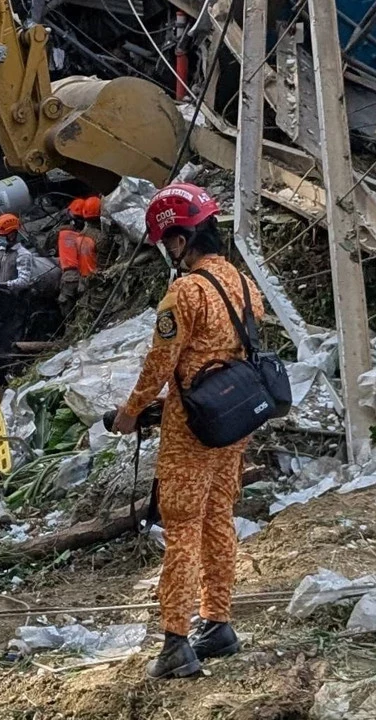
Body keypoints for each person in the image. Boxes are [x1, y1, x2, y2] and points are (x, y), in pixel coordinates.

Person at [111, 183, 265, 680]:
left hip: (190, 429)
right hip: (233, 418)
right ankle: (218, 623)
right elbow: (228, 350)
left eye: (167, 242)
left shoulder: (185, 292)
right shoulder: (242, 284)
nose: (168, 252)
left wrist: (132, 411)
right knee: (219, 518)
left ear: (180, 240)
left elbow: (162, 360)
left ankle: (176, 640)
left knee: (181, 530)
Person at [57, 199, 98, 316]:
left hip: (69, 276)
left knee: (67, 312)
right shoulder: (84, 237)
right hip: (83, 276)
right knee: (82, 309)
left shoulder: (61, 232)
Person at [0, 213, 36, 292]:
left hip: (13, 298)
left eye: (0, 235)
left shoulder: (23, 255)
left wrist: (2, 285)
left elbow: (24, 281)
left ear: (11, 235)